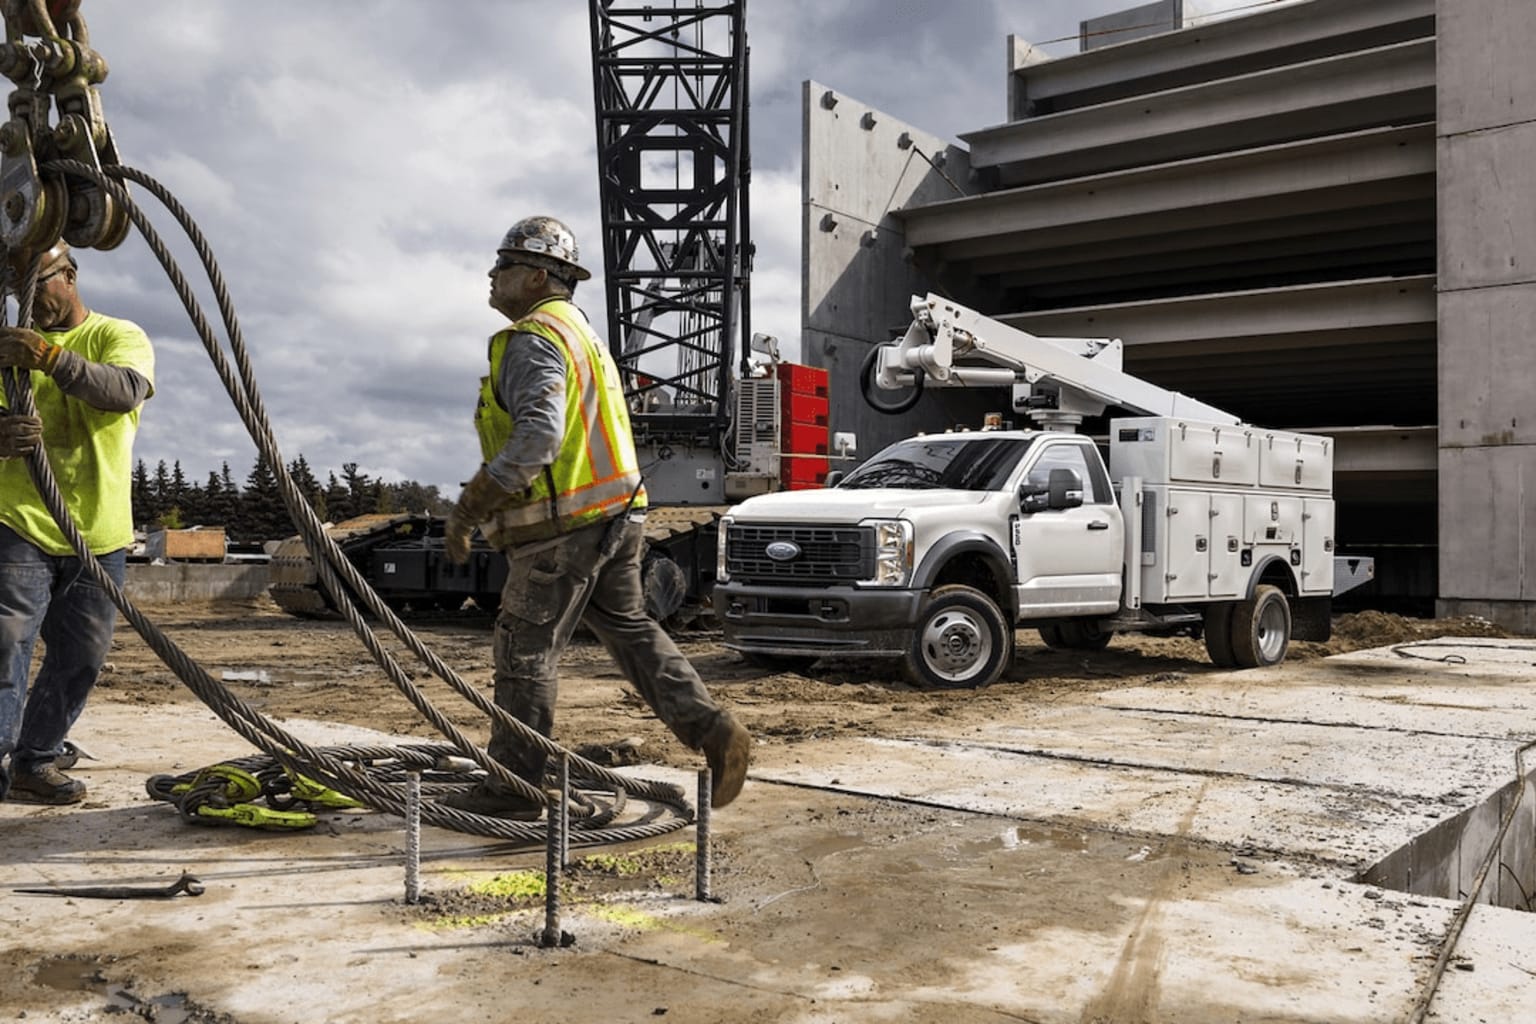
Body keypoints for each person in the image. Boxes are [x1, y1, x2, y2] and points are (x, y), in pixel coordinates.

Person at [443, 215, 750, 819]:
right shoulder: (581, 333)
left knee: (524, 648)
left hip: (565, 527)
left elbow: (538, 435)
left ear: (535, 276)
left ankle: (514, 787)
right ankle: (714, 731)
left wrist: (472, 505)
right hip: (617, 515)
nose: (491, 274)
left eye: (502, 266)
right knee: (631, 631)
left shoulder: (533, 337)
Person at [0, 241, 155, 805]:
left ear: (69, 275)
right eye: (16, 292)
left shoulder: (119, 335)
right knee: (7, 640)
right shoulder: (6, 351)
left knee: (80, 658)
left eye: (35, 287)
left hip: (98, 535)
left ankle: (34, 760)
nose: (26, 302)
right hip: (20, 523)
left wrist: (48, 358)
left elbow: (122, 390)